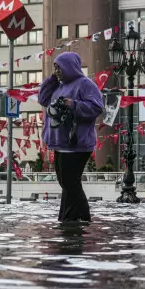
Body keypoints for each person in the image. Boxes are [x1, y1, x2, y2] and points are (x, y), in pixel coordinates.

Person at [38, 52, 103, 223]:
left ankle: (83, 218)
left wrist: (72, 104)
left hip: (77, 144)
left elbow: (96, 107)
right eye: (55, 67)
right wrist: (52, 79)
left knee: (70, 184)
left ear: (70, 66)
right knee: (66, 184)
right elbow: (43, 99)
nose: (57, 70)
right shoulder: (58, 86)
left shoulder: (85, 84)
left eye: (60, 67)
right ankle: (68, 218)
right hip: (60, 143)